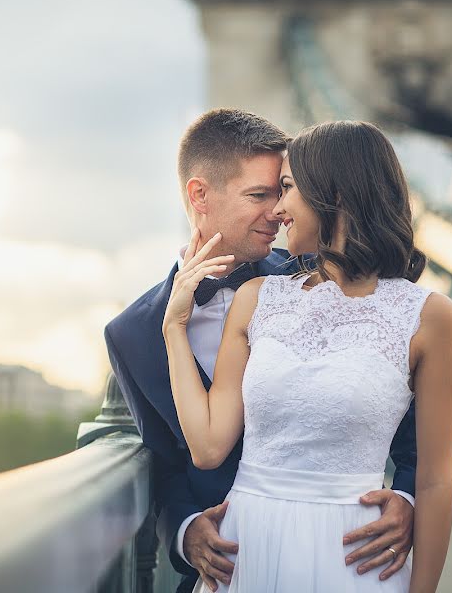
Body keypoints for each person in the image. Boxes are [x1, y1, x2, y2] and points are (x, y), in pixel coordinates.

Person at [105, 110, 421, 593]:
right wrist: (186, 531)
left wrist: (407, 496)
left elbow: (402, 409)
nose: (277, 211)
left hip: (347, 555)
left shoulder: (326, 273)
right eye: (259, 195)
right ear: (199, 194)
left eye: (284, 191)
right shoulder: (132, 333)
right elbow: (166, 462)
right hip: (232, 567)